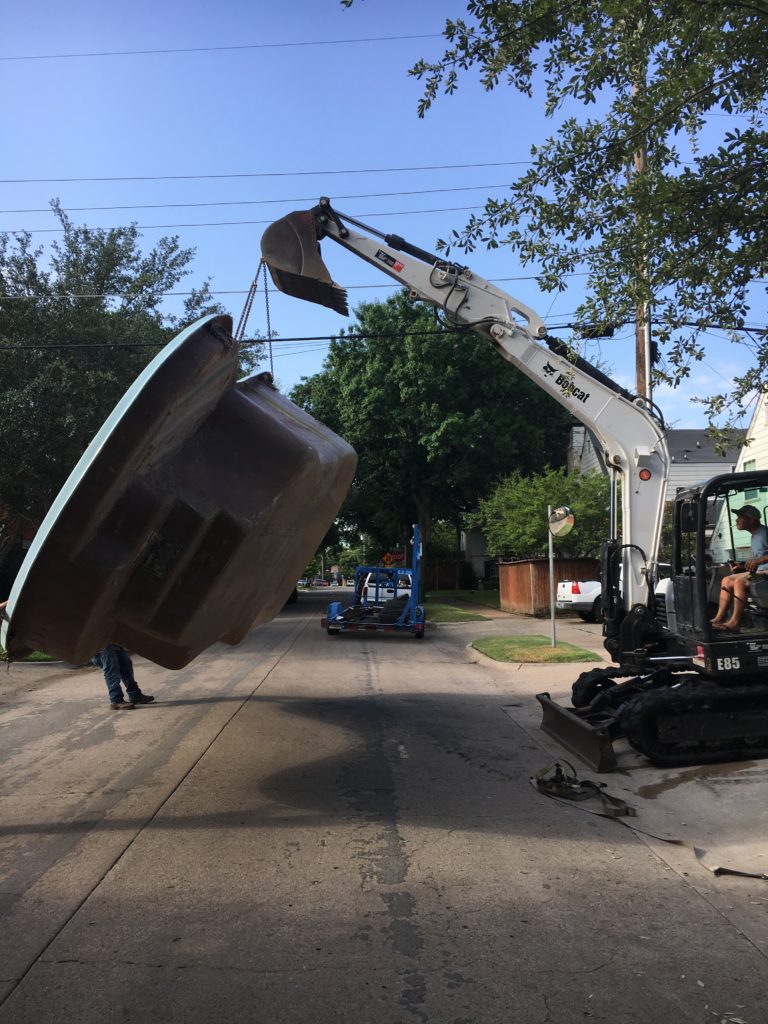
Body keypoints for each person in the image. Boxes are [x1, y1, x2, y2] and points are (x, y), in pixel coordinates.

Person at [710, 505, 768, 632]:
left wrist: (759, 560)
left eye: (740, 517)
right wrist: (742, 566)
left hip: (766, 573)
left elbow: (761, 559)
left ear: (751, 520)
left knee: (739, 582)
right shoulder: (754, 536)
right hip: (760, 571)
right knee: (726, 580)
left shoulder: (764, 532)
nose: (737, 521)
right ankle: (719, 618)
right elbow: (759, 558)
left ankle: (735, 622)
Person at [91, 644, 155, 710]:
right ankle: (116, 700)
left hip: (116, 645)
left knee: (127, 669)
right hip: (102, 649)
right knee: (112, 673)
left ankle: (135, 696)